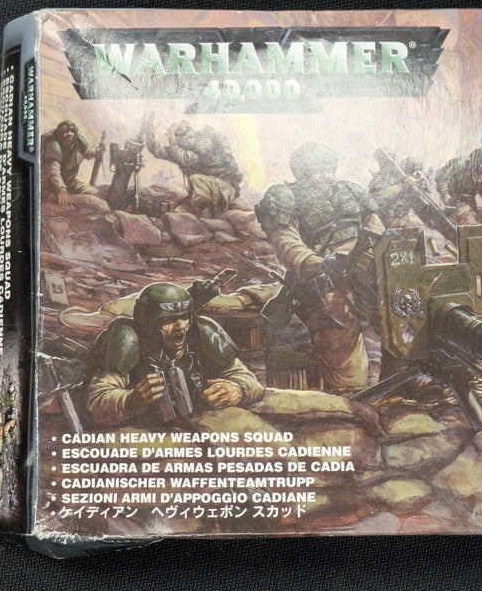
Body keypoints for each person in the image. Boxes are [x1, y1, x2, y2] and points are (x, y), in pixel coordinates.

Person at [255, 142, 383, 393]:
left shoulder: (352, 192)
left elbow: (377, 230)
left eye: (328, 169)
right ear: (302, 171)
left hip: (367, 276)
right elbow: (286, 243)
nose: (325, 175)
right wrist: (321, 264)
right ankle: (350, 395)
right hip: (322, 284)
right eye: (317, 170)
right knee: (344, 355)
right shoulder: (286, 196)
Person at [84, 282, 263, 427]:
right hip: (143, 430)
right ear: (149, 322)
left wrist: (238, 389)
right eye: (168, 320)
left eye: (184, 317)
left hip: (196, 423)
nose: (180, 327)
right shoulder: (128, 339)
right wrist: (130, 401)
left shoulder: (202, 332)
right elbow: (96, 401)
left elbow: (249, 380)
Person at [146, 122, 244, 217]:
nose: (190, 141)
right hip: (206, 191)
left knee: (196, 179)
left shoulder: (204, 146)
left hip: (224, 189)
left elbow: (185, 158)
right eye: (186, 139)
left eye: (191, 137)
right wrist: (149, 131)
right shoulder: (181, 151)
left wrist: (174, 144)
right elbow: (159, 151)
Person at [41, 120, 105, 210]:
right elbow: (53, 172)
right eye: (65, 132)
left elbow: (87, 152)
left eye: (72, 131)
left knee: (97, 194)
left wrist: (96, 152)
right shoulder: (54, 145)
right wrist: (61, 190)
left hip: (71, 182)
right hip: (52, 187)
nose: (69, 134)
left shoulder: (79, 142)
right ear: (60, 134)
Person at [368, 151, 436, 229]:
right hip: (381, 219)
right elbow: (379, 197)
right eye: (415, 170)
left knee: (414, 233)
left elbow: (422, 204)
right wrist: (402, 186)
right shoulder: (382, 178)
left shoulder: (417, 181)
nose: (419, 174)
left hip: (400, 218)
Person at [435, 147, 482, 225]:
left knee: (476, 219)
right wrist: (444, 193)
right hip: (453, 199)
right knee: (470, 222)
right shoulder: (460, 165)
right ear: (475, 162)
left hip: (469, 202)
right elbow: (442, 177)